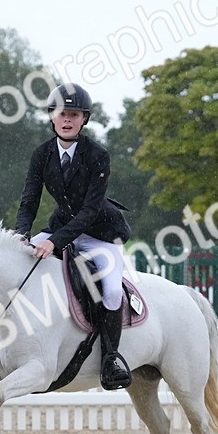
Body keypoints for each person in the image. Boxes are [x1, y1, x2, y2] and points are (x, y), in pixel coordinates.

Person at [14, 82, 132, 390]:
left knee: (110, 290)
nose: (68, 119)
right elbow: (29, 200)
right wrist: (22, 234)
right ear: (52, 116)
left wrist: (54, 242)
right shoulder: (41, 155)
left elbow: (89, 212)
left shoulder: (98, 155)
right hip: (60, 227)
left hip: (99, 234)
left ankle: (111, 359)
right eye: (62, 113)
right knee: (18, 261)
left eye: (75, 114)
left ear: (84, 120)